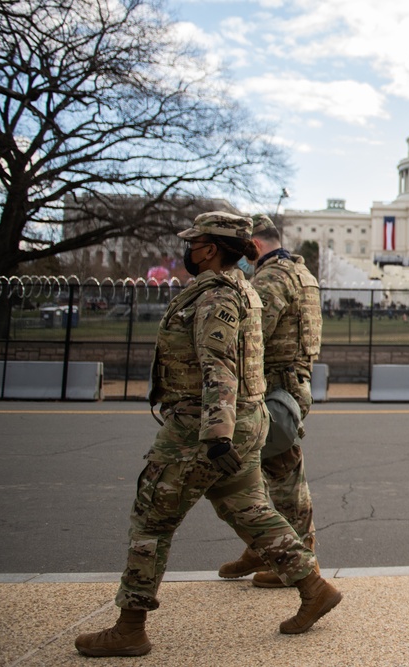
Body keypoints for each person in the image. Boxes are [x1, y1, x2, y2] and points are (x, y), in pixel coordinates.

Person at [75, 212, 341, 658]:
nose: (189, 249)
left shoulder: (217, 296)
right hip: (243, 418)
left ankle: (129, 625)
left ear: (210, 249)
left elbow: (220, 367)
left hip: (202, 426)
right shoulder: (244, 289)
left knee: (152, 519)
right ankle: (313, 586)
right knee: (250, 509)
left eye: (194, 242)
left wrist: (216, 435)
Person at [218, 214, 324, 588]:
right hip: (292, 383)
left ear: (256, 245)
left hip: (277, 387)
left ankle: (299, 559)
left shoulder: (272, 278)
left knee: (283, 475)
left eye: (246, 250)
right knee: (256, 473)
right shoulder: (301, 272)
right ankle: (262, 546)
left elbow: (252, 332)